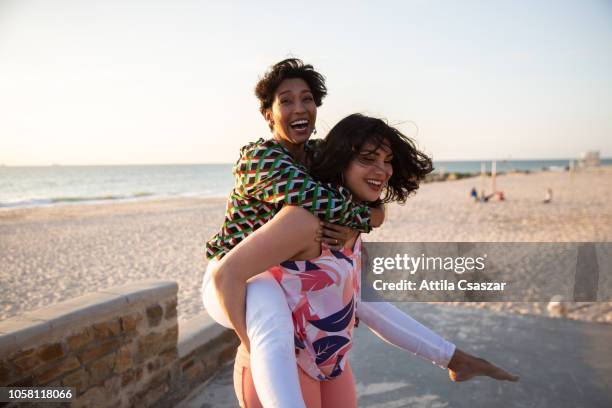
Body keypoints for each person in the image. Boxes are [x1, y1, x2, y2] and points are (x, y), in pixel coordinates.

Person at [211, 114, 519, 407]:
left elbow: (363, 301)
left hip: (333, 364)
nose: (382, 171)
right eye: (368, 159)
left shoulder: (352, 220)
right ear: (340, 160)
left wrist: (452, 357)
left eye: (387, 162)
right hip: (283, 372)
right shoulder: (304, 220)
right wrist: (250, 344)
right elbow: (226, 276)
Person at [203, 59, 386, 407]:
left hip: (279, 271)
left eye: (307, 99)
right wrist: (365, 218)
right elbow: (319, 201)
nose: (299, 108)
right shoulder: (260, 157)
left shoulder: (319, 156)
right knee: (272, 324)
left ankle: (451, 357)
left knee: (370, 300)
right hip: (234, 272)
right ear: (269, 114)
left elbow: (367, 199)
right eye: (286, 101)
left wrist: (373, 214)